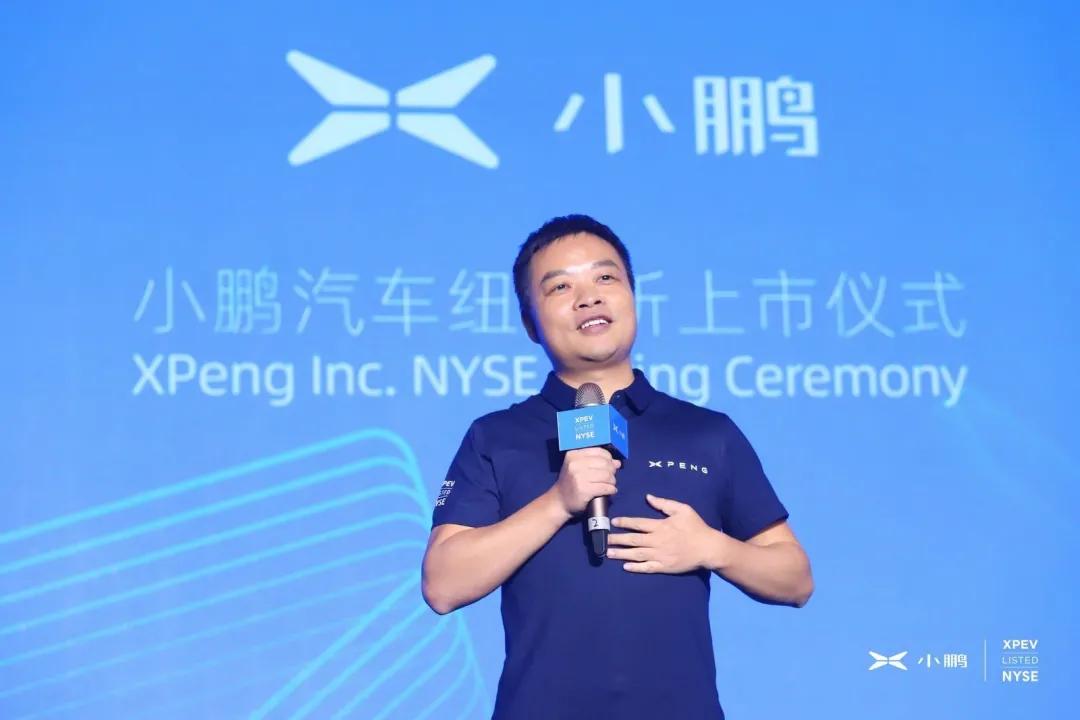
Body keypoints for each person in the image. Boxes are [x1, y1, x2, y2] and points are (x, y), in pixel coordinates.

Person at [421, 214, 814, 719]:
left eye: (605, 277)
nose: (589, 297)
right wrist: (557, 503)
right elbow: (443, 585)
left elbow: (795, 579)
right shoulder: (496, 437)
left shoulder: (705, 433)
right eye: (560, 287)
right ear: (530, 324)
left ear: (632, 296)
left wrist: (711, 548)